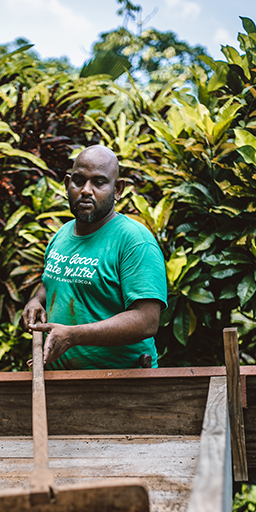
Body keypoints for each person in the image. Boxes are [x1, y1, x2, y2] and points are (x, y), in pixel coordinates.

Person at [21, 145, 167, 369]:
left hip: (122, 385)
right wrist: (36, 301)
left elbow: (147, 321)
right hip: (59, 384)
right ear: (67, 183)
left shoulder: (134, 241)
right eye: (78, 181)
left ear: (117, 189)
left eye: (99, 182)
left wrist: (74, 335)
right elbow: (55, 280)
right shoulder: (62, 235)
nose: (86, 190)